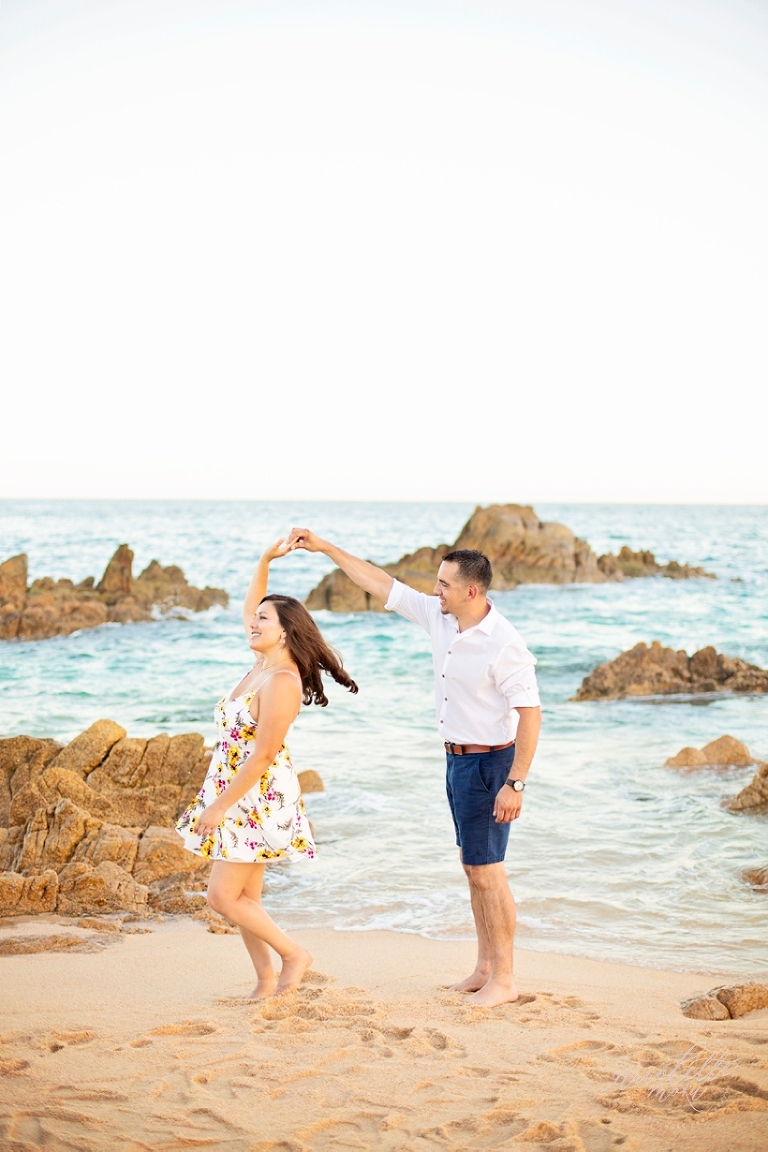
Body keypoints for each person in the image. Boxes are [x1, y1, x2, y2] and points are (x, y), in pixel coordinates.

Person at [288, 529, 541, 1008]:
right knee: (474, 869)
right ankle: (485, 968)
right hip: (456, 760)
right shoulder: (440, 617)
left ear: (471, 591)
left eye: (444, 584)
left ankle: (505, 980)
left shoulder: (504, 643)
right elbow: (380, 583)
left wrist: (516, 782)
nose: (434, 590)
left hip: (491, 763)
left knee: (489, 873)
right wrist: (324, 548)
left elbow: (531, 713)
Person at [176, 538, 358, 998]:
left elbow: (261, 755)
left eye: (263, 619)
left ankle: (294, 954)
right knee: (245, 900)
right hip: (238, 787)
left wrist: (218, 806)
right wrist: (264, 561)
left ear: (284, 631)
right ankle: (265, 979)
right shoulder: (261, 661)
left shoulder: (281, 680)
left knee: (221, 897)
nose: (252, 623)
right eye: (254, 617)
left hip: (255, 794)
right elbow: (250, 607)